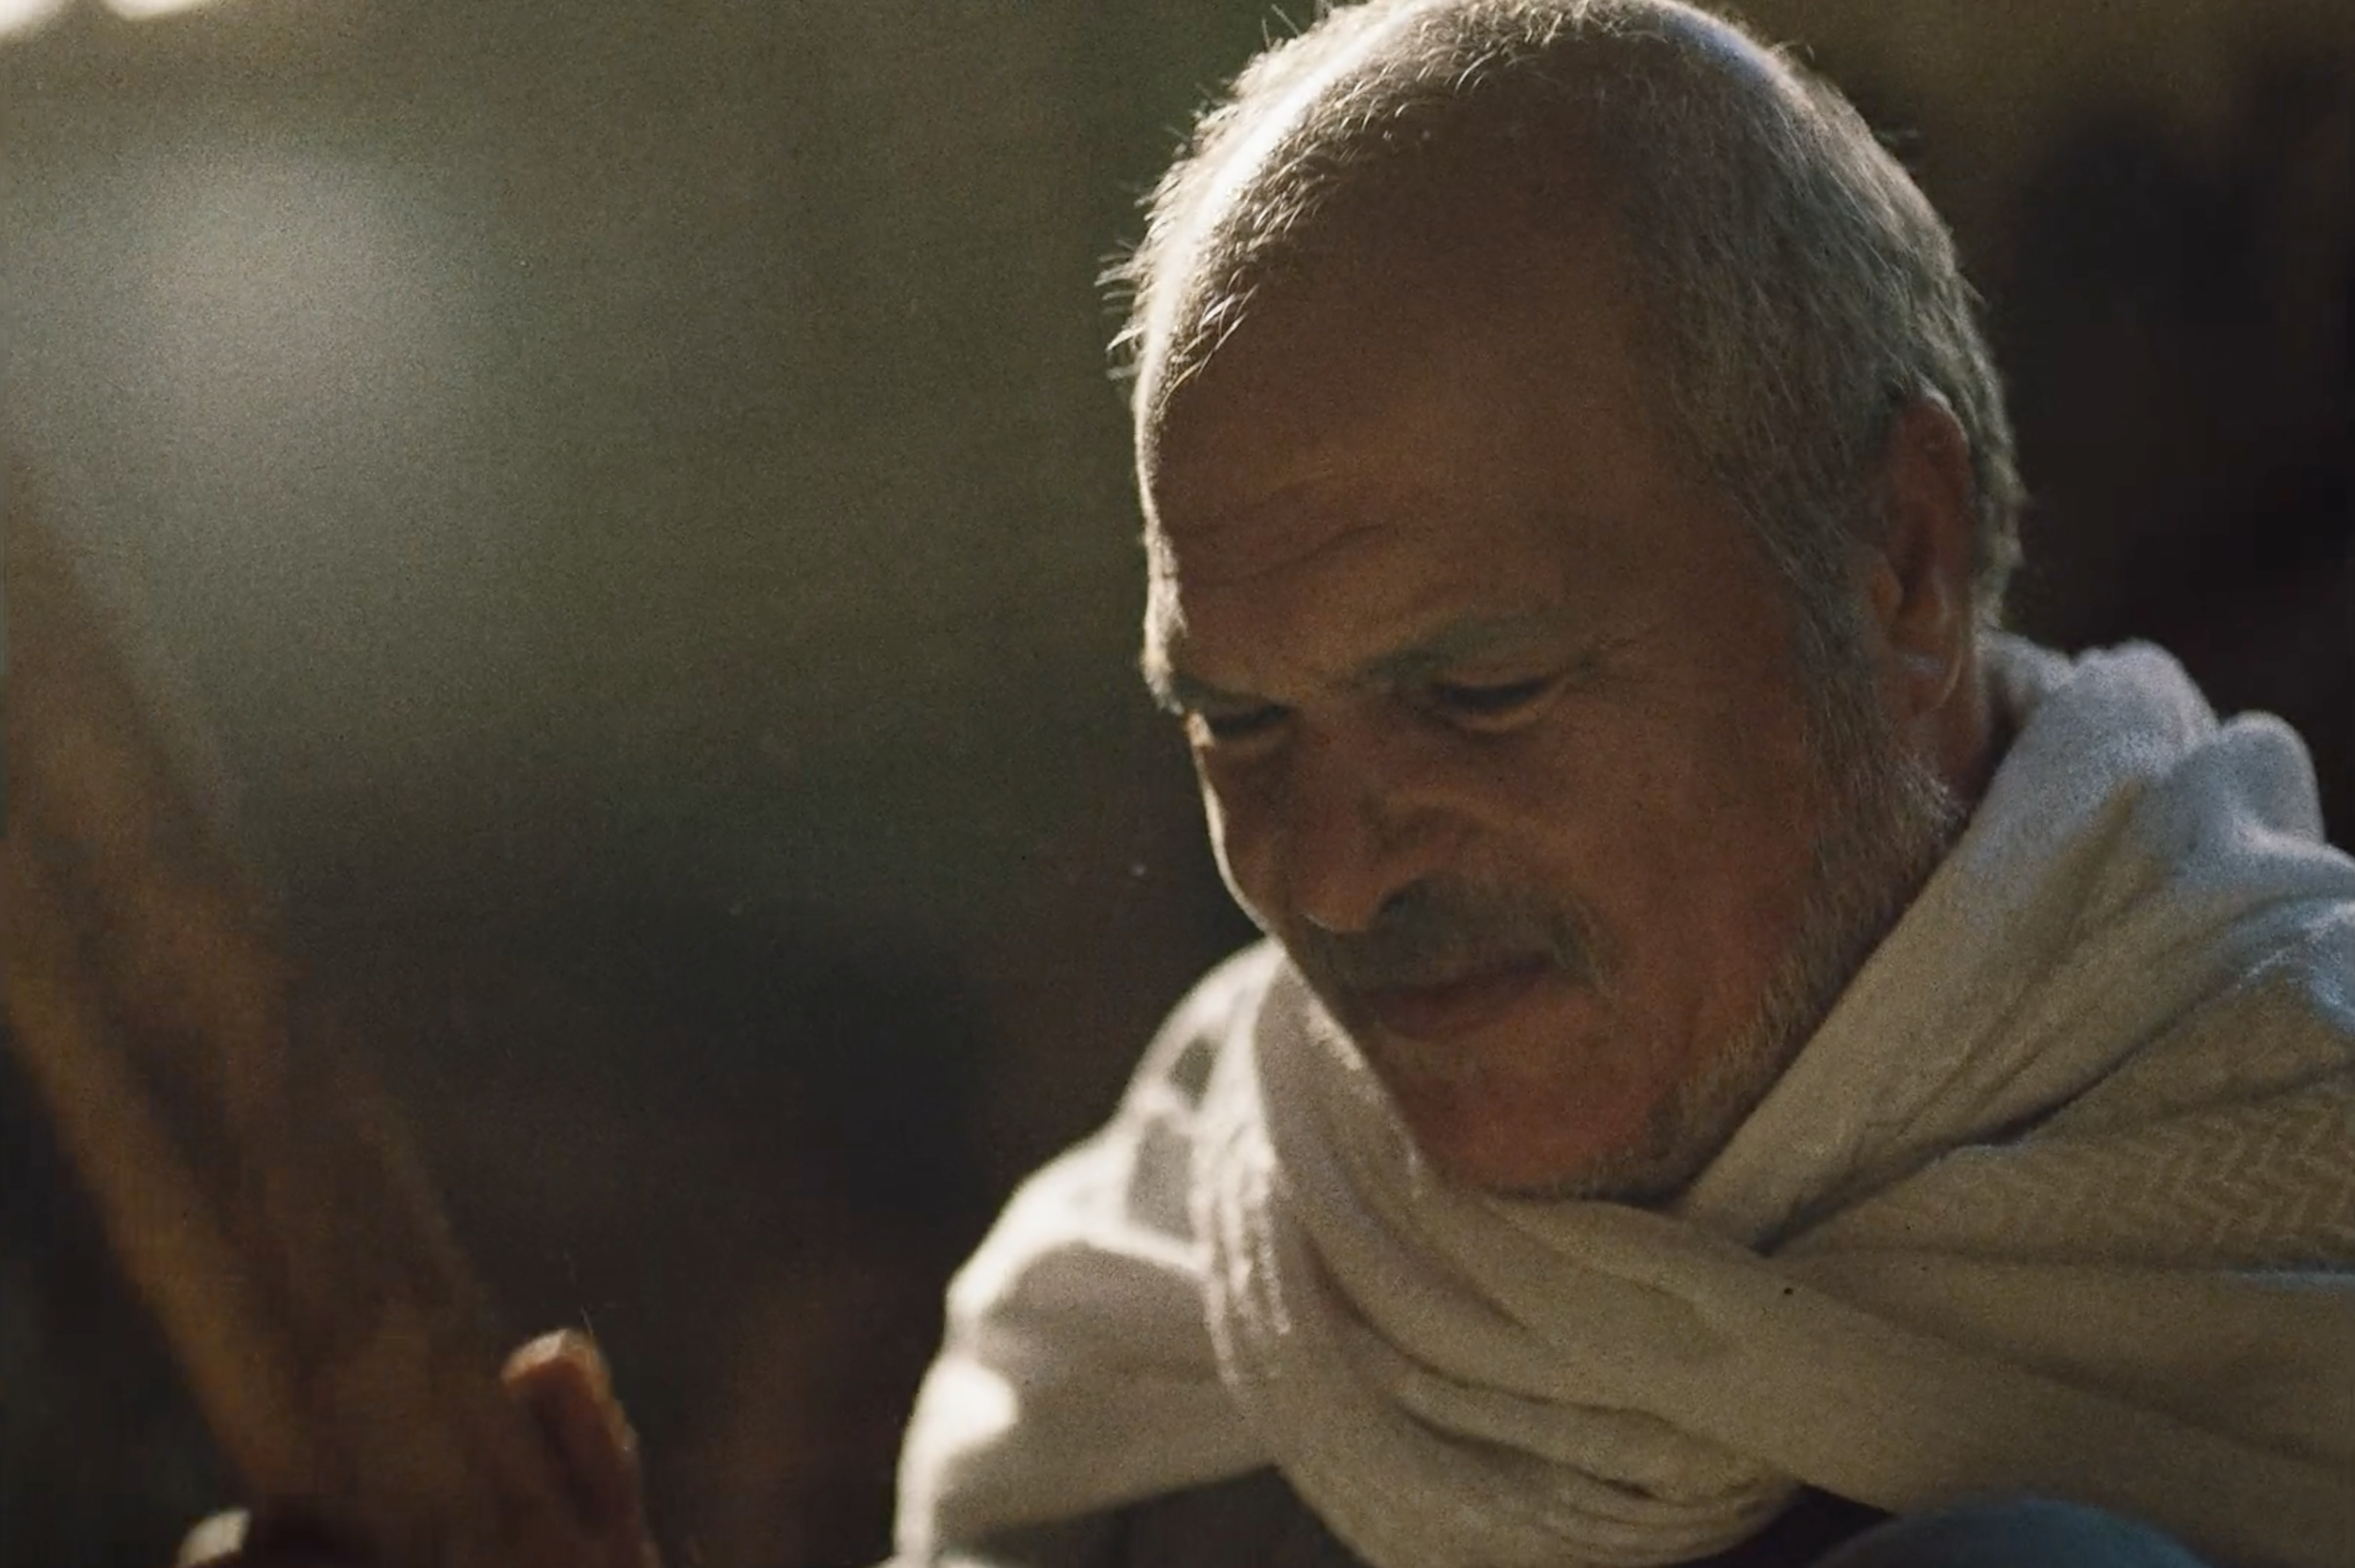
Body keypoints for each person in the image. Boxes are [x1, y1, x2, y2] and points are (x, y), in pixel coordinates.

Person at [190, 2, 2355, 1565]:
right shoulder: (1163, 1358)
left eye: (1475, 691)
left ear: (1890, 561)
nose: (1324, 871)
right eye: (1234, 725)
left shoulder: (2296, 1191)